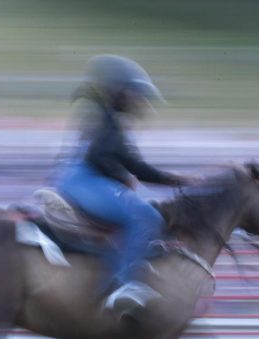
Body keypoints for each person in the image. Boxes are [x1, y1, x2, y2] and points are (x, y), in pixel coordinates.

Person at [56, 54, 191, 317]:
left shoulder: (108, 121)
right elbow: (100, 157)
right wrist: (123, 176)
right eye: (136, 94)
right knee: (146, 216)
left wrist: (175, 179)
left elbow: (136, 165)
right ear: (119, 92)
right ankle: (124, 285)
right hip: (83, 180)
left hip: (83, 178)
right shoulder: (107, 123)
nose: (141, 101)